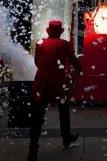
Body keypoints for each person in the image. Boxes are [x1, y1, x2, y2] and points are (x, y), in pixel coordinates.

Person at [27, 19, 82, 161]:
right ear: (60, 32)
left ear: (48, 31)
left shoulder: (40, 43)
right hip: (57, 81)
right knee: (63, 110)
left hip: (41, 81)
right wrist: (79, 69)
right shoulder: (65, 44)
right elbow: (75, 62)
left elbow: (37, 62)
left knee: (37, 116)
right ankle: (66, 138)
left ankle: (33, 150)